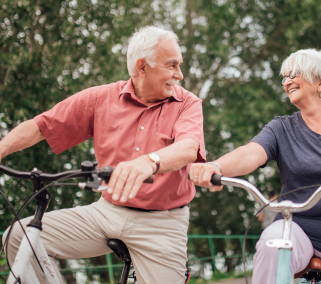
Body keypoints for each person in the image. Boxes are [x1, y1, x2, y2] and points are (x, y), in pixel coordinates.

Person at [1, 26, 206, 284]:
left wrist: (150, 162)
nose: (180, 74)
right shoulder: (101, 98)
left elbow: (188, 148)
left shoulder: (187, 103)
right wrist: (1, 149)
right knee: (18, 237)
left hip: (162, 221)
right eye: (172, 65)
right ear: (142, 67)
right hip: (107, 212)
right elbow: (41, 126)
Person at [189, 48, 321, 284]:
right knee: (272, 243)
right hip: (296, 229)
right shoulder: (281, 128)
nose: (287, 81)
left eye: (294, 74)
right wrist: (216, 166)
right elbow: (250, 153)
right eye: (284, 77)